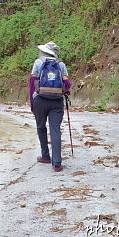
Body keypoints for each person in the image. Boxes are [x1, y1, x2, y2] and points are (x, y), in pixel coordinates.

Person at [29, 42, 71, 172]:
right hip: (57, 101)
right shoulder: (60, 65)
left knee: (41, 127)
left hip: (40, 100)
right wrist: (65, 92)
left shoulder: (38, 63)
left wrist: (32, 102)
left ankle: (45, 156)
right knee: (55, 129)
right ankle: (57, 163)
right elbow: (67, 83)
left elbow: (32, 83)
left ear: (44, 52)